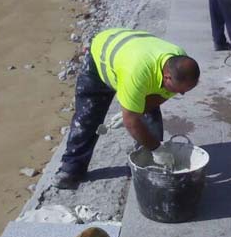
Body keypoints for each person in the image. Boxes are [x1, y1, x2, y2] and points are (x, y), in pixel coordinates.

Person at [52, 28, 200, 189]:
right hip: (101, 58)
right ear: (167, 77)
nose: (182, 94)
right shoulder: (138, 73)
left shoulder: (178, 63)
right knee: (88, 117)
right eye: (179, 89)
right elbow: (131, 122)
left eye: (186, 90)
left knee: (150, 118)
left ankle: (148, 166)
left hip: (132, 52)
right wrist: (157, 148)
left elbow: (162, 95)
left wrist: (140, 110)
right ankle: (71, 167)